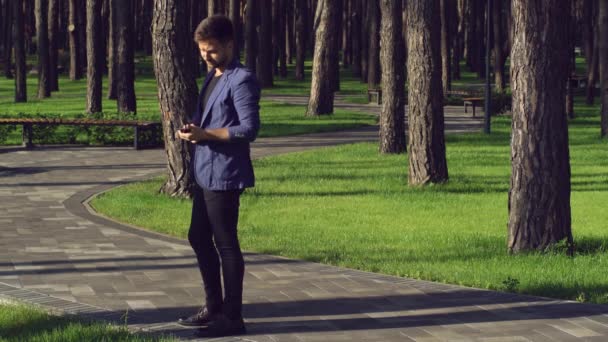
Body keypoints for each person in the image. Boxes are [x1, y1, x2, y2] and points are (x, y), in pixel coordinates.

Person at [175, 15, 260, 338]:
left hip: (226, 175)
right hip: (204, 171)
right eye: (201, 50)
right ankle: (213, 307)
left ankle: (233, 318)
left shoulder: (242, 80)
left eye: (211, 50)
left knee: (226, 245)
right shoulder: (213, 75)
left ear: (228, 44)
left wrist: (206, 134)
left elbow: (248, 129)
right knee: (198, 237)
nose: (206, 56)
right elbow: (205, 117)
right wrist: (192, 130)